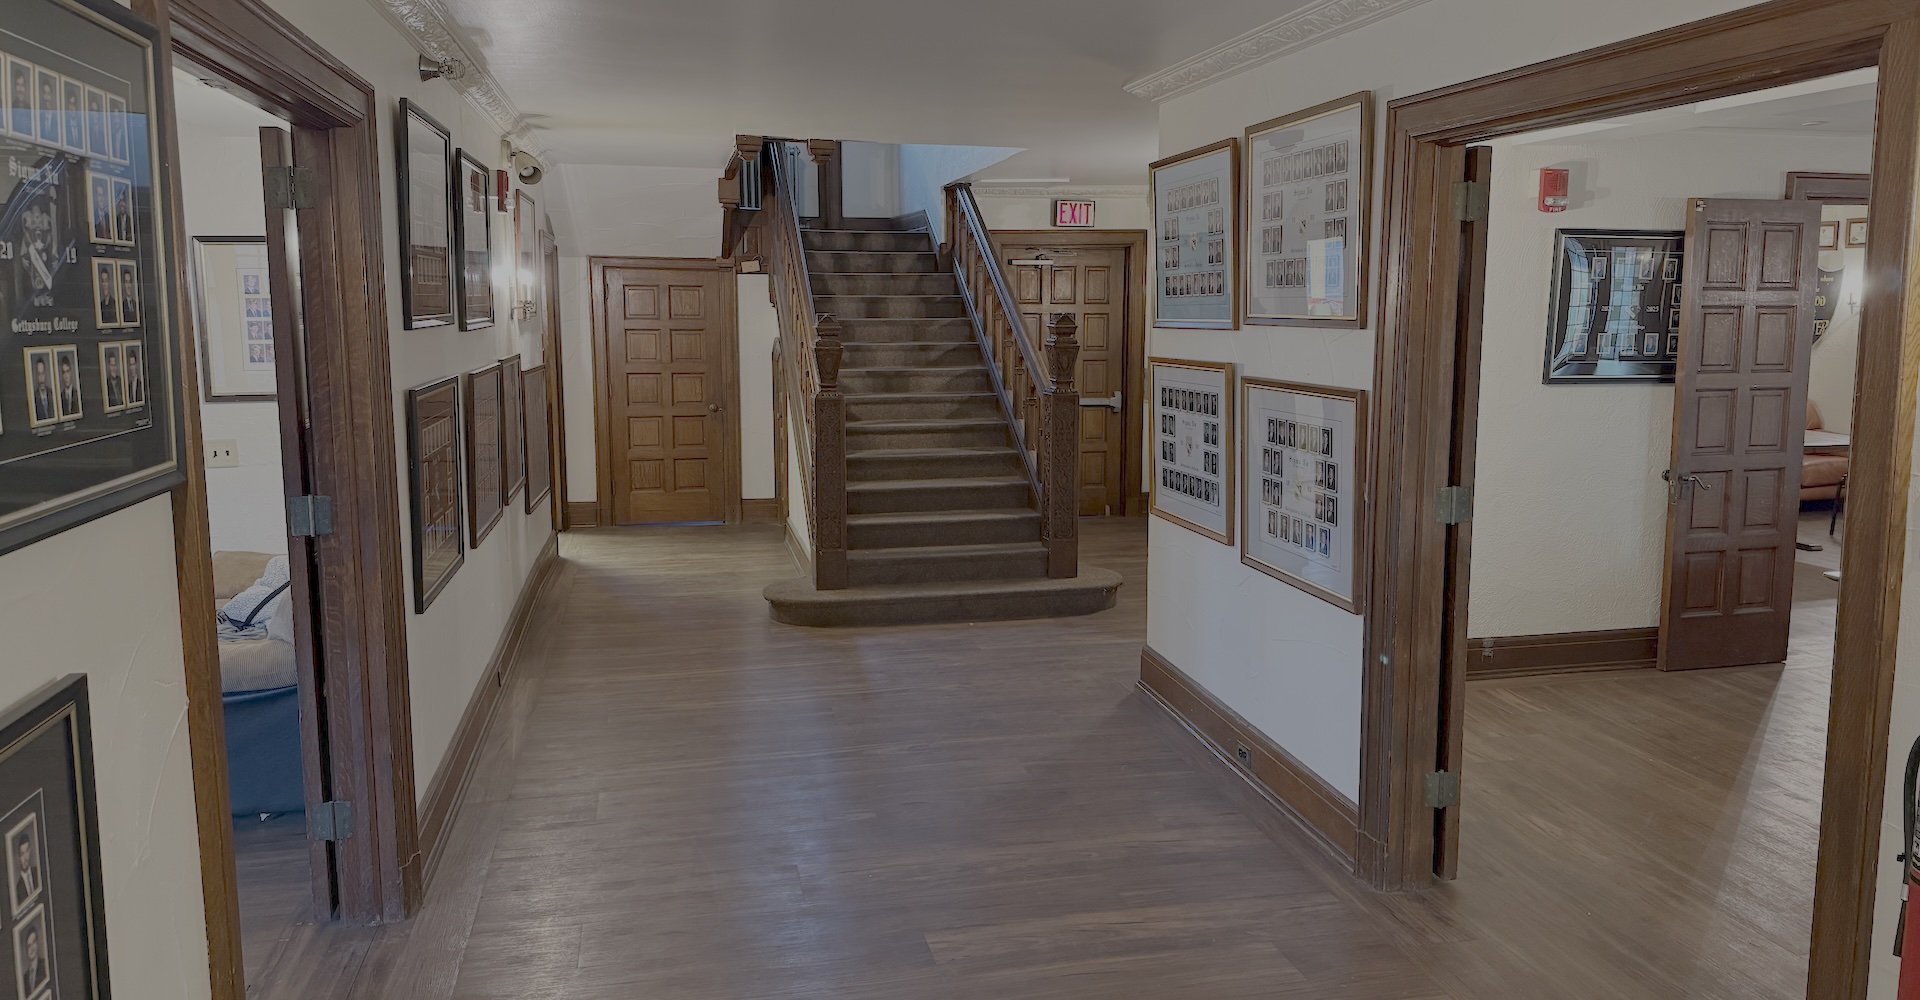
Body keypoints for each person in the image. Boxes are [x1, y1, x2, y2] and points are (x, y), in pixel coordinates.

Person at [18, 922, 47, 996]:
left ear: (37, 943)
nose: (31, 948)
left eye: (33, 942)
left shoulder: (45, 965)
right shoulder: (24, 978)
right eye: (29, 946)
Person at [12, 835, 37, 905]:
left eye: (27, 851)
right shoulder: (18, 888)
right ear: (19, 857)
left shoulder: (37, 872)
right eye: (22, 854)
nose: (25, 858)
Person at [30, 356, 54, 423]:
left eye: (42, 373)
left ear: (45, 374)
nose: (41, 378)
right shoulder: (33, 398)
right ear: (36, 376)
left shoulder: (52, 394)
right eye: (39, 374)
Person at [57, 353, 81, 418]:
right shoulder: (60, 397)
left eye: (67, 371)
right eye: (63, 372)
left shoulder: (77, 394)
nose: (66, 376)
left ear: (70, 372)